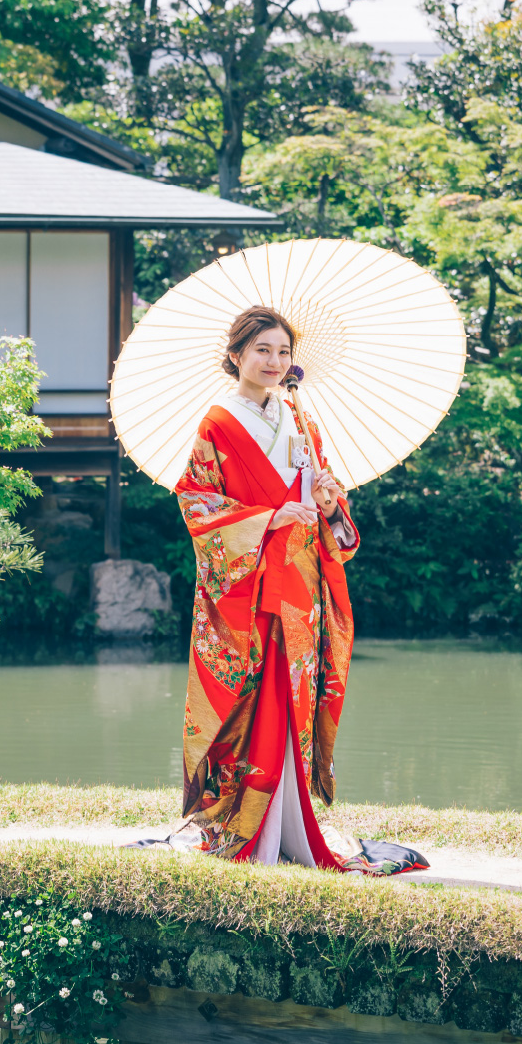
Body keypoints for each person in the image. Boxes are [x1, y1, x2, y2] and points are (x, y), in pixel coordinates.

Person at [173, 306, 365, 869]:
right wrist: (265, 519)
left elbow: (331, 517)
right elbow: (197, 502)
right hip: (249, 587)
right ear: (236, 355)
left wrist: (329, 503)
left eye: (284, 352)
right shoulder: (217, 423)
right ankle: (240, 821)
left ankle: (291, 822)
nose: (275, 362)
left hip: (301, 582)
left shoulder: (301, 422)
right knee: (253, 694)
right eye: (263, 351)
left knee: (293, 695)